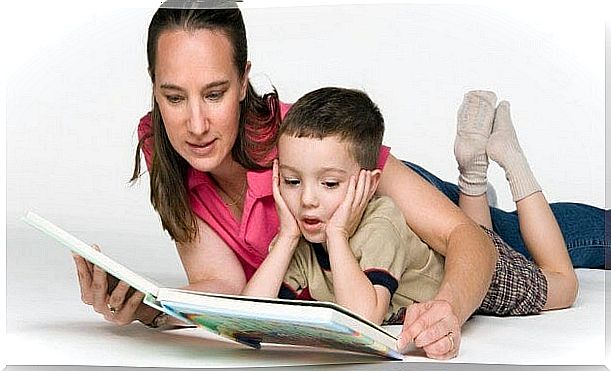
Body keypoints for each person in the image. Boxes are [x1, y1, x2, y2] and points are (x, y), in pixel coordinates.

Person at [71, 1, 607, 360]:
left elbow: (462, 242)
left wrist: (447, 311)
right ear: (153, 87)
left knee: (523, 248)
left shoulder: (302, 141)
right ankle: (473, 183)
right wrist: (148, 308)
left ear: (243, 81)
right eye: (173, 96)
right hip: (338, 264)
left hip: (380, 204)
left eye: (214, 93)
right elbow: (226, 290)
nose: (195, 124)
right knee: (486, 240)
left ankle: (478, 183)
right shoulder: (162, 145)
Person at [242, 87, 576, 332]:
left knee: (563, 285)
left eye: (329, 184)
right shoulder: (301, 231)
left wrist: (338, 235)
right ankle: (472, 168)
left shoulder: (380, 223)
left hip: (471, 276)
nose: (307, 200)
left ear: (370, 184)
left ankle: (512, 158)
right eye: (291, 180)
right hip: (457, 249)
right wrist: (286, 238)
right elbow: (246, 317)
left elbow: (363, 317)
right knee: (481, 232)